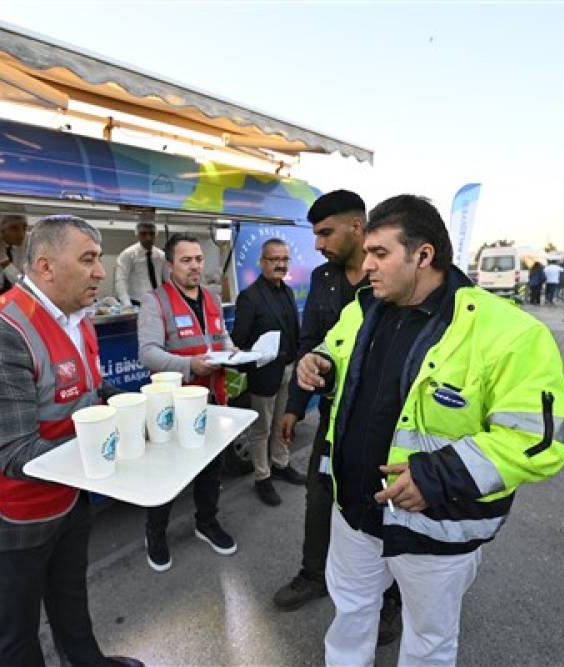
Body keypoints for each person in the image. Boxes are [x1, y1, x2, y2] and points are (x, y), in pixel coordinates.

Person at [297, 194, 564, 666]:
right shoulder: (363, 309)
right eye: (366, 254)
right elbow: (337, 351)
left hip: (436, 527)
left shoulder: (509, 332)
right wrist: (321, 362)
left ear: (423, 255)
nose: (366, 267)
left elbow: (539, 440)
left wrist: (437, 476)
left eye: (380, 254)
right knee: (351, 614)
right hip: (354, 512)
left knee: (428, 641)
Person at [0, 215, 142, 667]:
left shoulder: (78, 314)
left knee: (70, 595)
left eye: (100, 259)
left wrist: (134, 411)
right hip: (6, 509)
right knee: (15, 634)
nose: (100, 272)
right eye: (89, 259)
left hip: (66, 493)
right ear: (46, 266)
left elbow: (92, 393)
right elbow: (16, 455)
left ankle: (88, 662)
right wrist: (117, 447)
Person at [272, 190, 402, 646]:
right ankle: (313, 574)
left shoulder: (390, 276)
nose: (319, 243)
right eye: (316, 234)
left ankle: (390, 601)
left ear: (357, 226)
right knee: (318, 495)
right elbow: (310, 344)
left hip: (384, 426)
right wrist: (293, 407)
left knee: (382, 507)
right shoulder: (324, 279)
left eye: (326, 232)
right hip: (332, 418)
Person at [137, 233, 237, 572]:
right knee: (166, 473)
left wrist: (234, 350)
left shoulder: (210, 297)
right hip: (173, 406)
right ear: (170, 266)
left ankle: (206, 522)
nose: (195, 265)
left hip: (213, 399)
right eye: (186, 260)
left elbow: (220, 337)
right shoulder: (155, 301)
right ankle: (155, 534)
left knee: (211, 469)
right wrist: (189, 365)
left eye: (198, 259)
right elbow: (148, 353)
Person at [230, 238, 305, 506]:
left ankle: (281, 464)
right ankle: (263, 477)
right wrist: (257, 356)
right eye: (274, 259)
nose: (280, 264)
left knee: (284, 422)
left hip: (288, 368)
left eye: (284, 259)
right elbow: (239, 341)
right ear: (262, 262)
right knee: (261, 429)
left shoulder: (286, 291)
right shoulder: (249, 297)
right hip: (264, 373)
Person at [115, 221, 165, 307]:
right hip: (136, 302)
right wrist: (127, 304)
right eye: (143, 234)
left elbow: (167, 279)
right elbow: (121, 280)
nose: (148, 237)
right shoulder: (128, 254)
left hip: (158, 301)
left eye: (151, 234)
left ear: (156, 235)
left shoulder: (161, 255)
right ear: (137, 235)